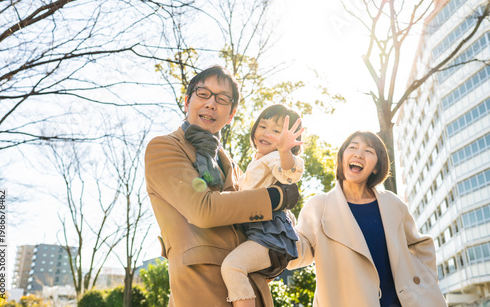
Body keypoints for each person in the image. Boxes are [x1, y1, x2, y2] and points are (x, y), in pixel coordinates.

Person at [145, 65, 299, 307]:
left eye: (222, 99)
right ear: (187, 101)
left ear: (231, 114)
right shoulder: (165, 148)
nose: (210, 103)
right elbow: (203, 210)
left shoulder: (234, 167)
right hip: (200, 290)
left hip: (249, 290)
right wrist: (275, 198)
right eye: (203, 94)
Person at [288, 130, 448, 307]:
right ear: (342, 158)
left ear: (377, 167)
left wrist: (425, 284)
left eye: (369, 151)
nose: (358, 154)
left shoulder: (393, 203)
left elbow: (419, 245)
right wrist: (279, 214)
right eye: (353, 147)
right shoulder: (319, 206)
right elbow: (295, 254)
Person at [221, 104, 304, 307]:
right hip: (256, 233)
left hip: (269, 235)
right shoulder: (257, 161)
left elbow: (289, 173)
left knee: (233, 266)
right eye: (263, 126)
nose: (266, 133)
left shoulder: (276, 158)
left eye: (276, 131)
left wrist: (285, 151)